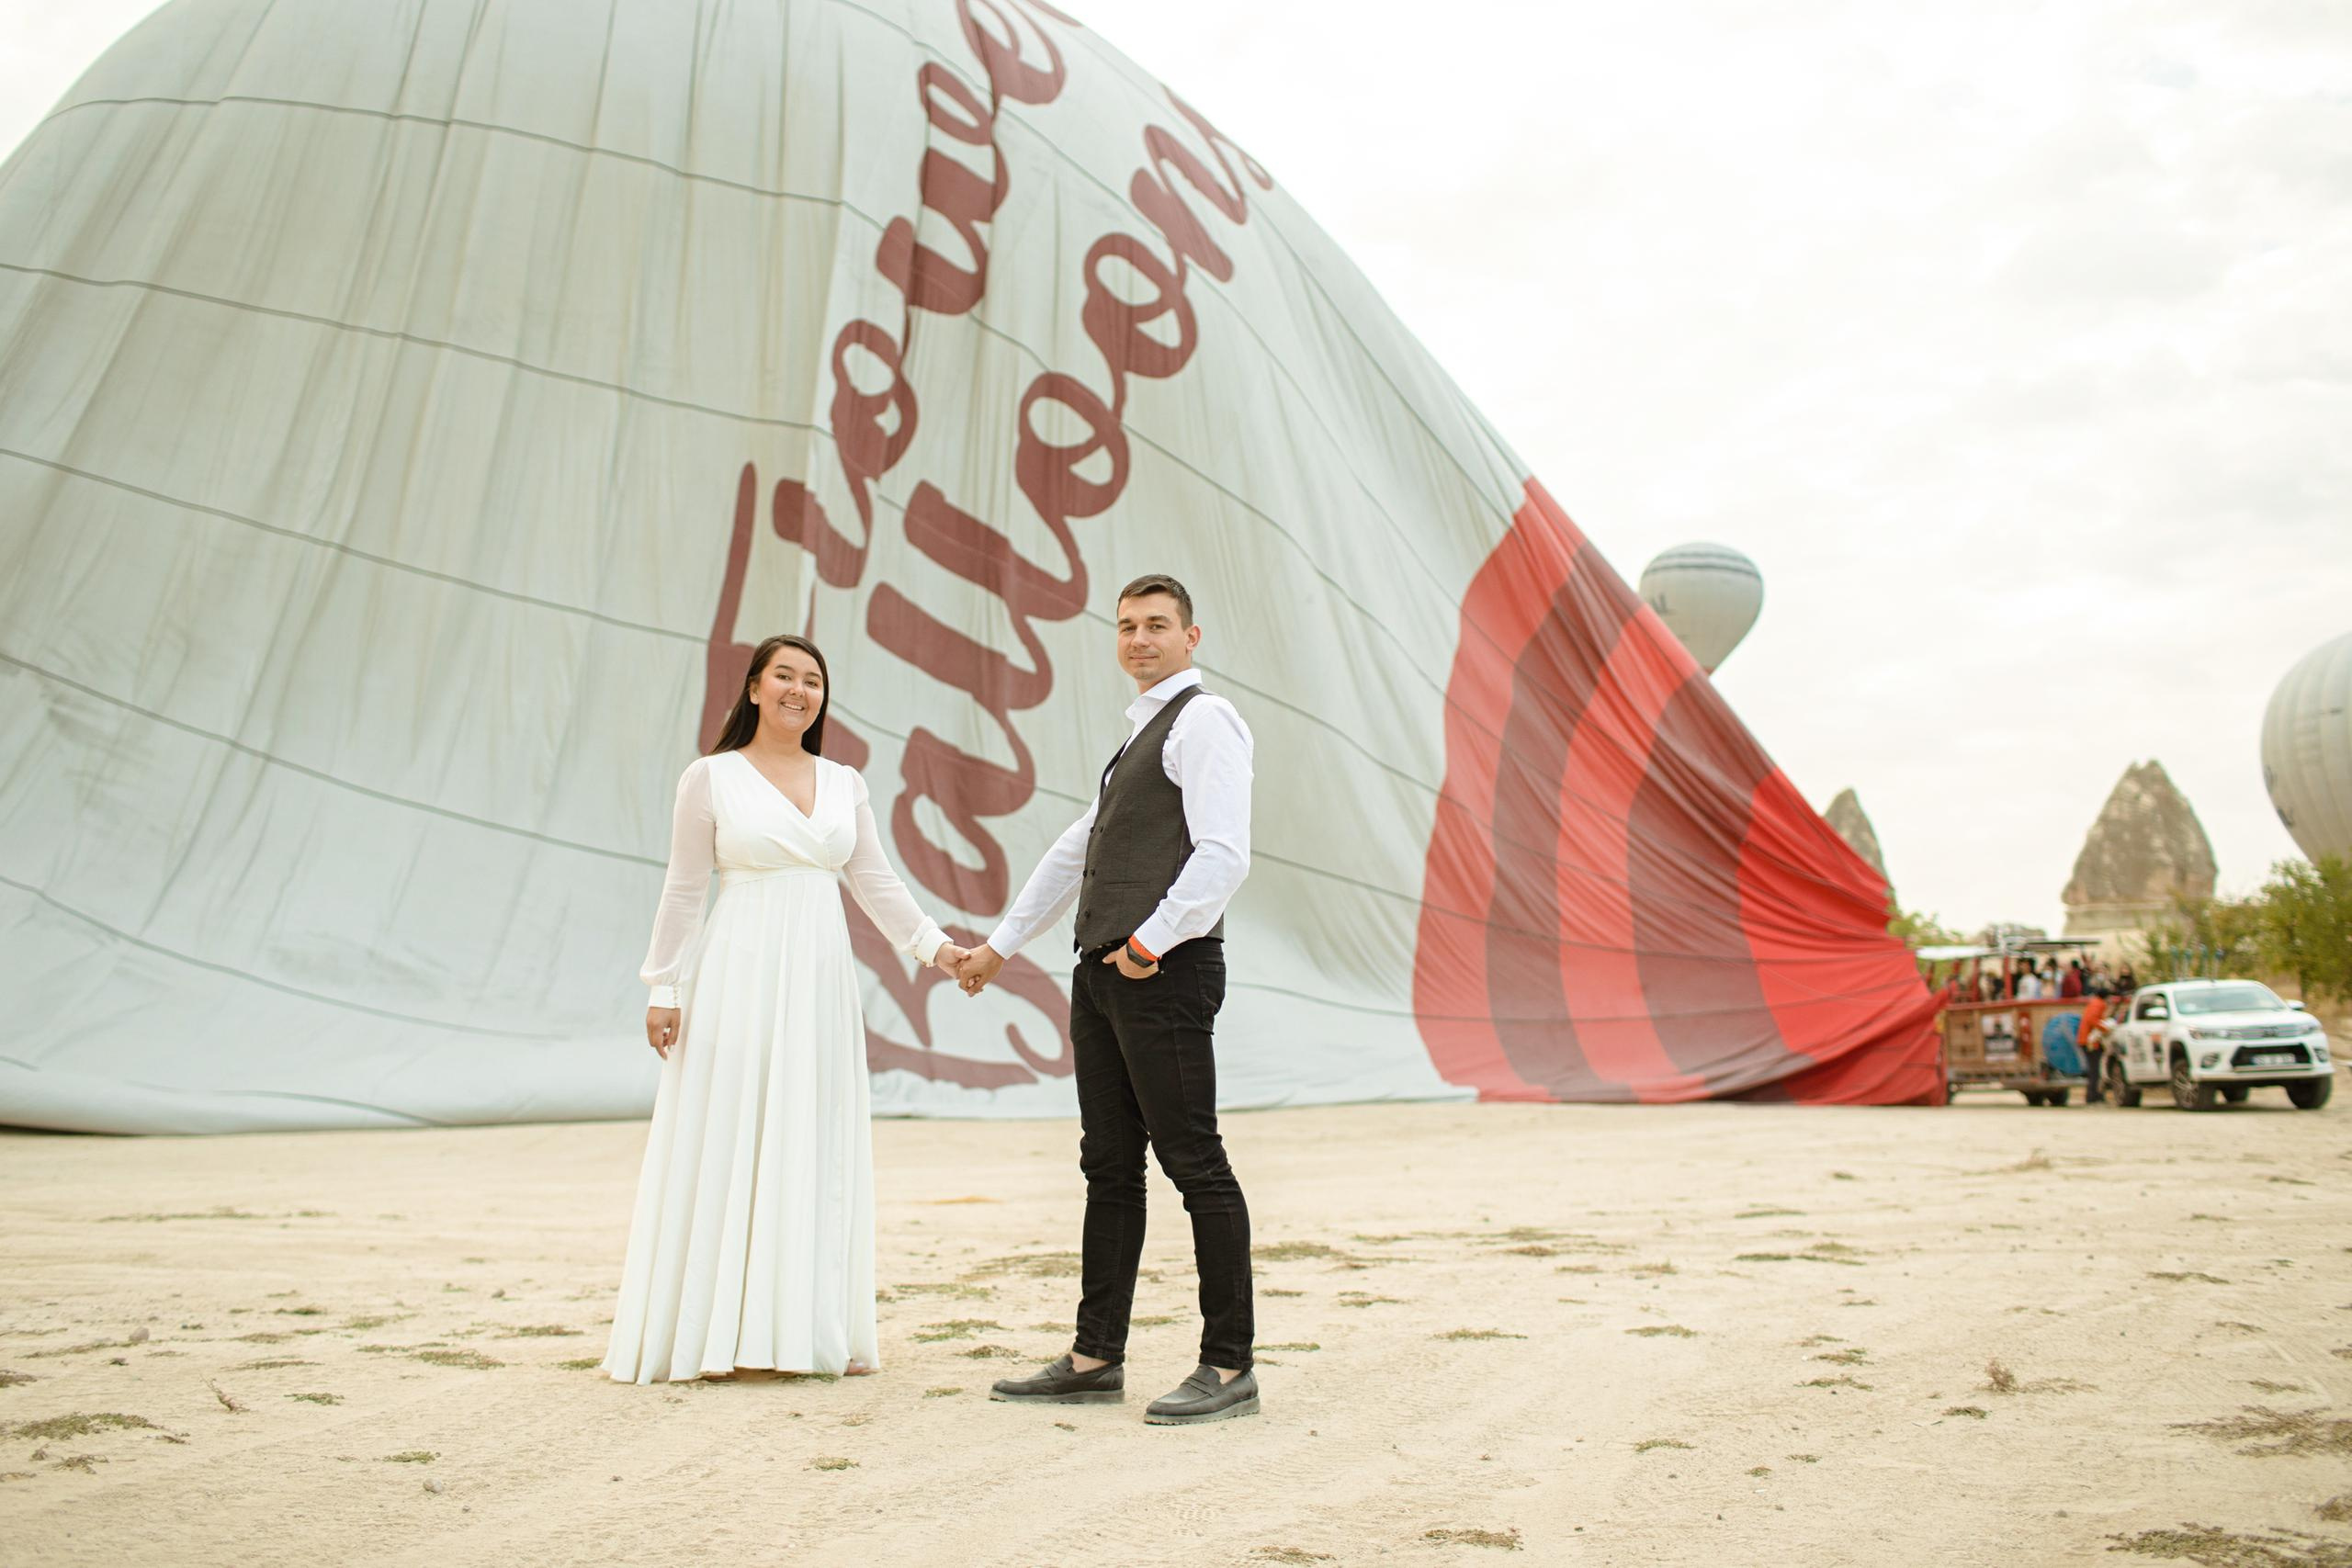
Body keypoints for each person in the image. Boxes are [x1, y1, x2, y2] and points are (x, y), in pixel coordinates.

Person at [603, 635, 968, 1384]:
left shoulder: (844, 782)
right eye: (785, 677)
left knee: (810, 1136)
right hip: (738, 969)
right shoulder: (709, 778)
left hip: (819, 976)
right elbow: (683, 887)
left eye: (814, 680)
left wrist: (941, 950)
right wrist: (663, 987)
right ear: (755, 688)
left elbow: (876, 881)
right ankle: (717, 1334)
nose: (800, 690)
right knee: (732, 1131)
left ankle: (807, 1329)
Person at [955, 572, 1259, 1426]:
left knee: (1195, 1162)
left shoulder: (1204, 721)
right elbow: (1074, 847)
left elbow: (1225, 853)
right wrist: (1000, 947)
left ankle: (1230, 1364)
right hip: (1104, 971)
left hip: (1160, 970)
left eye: (1157, 625)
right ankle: (1096, 1356)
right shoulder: (1137, 739)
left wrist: (1149, 942)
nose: (1138, 639)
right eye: (1126, 626)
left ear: (1191, 638)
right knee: (1109, 1168)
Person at [2076, 985, 2112, 1103]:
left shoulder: (2094, 1003)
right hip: (2091, 1041)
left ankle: (2094, 1095)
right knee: (2095, 1070)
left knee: (2094, 1069)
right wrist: (2106, 1028)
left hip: (2085, 1040)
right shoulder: (2099, 1004)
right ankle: (2094, 1096)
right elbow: (2093, 1020)